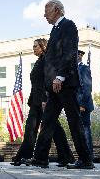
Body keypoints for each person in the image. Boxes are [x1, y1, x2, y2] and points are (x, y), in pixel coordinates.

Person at [31, 0, 94, 169]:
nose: (44, 15)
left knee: (74, 121)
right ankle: (40, 158)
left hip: (64, 83)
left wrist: (60, 77)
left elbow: (69, 53)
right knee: (48, 121)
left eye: (47, 11)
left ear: (57, 10)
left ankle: (86, 160)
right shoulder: (55, 29)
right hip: (54, 86)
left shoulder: (68, 26)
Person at [11, 38, 74, 167]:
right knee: (30, 128)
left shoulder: (47, 60)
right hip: (35, 100)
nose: (33, 48)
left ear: (43, 47)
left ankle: (66, 157)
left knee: (54, 128)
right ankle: (24, 156)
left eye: (36, 46)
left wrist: (46, 99)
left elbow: (48, 80)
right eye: (33, 46)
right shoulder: (39, 61)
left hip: (44, 100)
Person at [77, 50, 94, 160]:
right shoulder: (72, 69)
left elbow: (87, 87)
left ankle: (88, 156)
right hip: (75, 105)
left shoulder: (84, 68)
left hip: (83, 105)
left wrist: (82, 104)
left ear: (80, 56)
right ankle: (83, 156)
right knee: (79, 131)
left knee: (85, 130)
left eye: (76, 54)